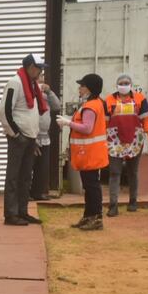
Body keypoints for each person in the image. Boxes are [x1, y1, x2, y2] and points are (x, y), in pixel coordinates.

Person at [0, 53, 48, 226]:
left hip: (30, 137)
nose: (41, 72)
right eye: (39, 68)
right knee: (13, 176)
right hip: (18, 137)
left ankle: (22, 211)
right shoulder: (15, 83)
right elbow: (4, 111)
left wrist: (33, 137)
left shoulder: (33, 85)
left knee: (26, 176)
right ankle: (11, 214)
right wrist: (16, 134)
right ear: (31, 67)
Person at [57, 74, 108, 231]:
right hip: (90, 152)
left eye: (82, 85)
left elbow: (87, 128)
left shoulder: (91, 106)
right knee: (90, 186)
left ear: (89, 88)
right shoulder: (94, 103)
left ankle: (96, 218)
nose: (79, 88)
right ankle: (88, 216)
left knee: (92, 187)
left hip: (89, 153)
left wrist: (67, 123)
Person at [105, 73, 148, 216]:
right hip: (114, 140)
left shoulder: (140, 99)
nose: (124, 85)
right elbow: (104, 121)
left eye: (126, 83)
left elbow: (147, 118)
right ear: (116, 85)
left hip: (135, 139)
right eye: (121, 83)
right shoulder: (109, 100)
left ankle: (133, 201)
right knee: (114, 173)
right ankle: (113, 205)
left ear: (131, 85)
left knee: (132, 172)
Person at [30, 73, 61, 201]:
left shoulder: (46, 94)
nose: (41, 80)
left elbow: (57, 106)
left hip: (44, 134)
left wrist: (49, 92)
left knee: (42, 166)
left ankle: (39, 192)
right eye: (38, 78)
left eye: (43, 77)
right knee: (28, 166)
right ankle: (26, 193)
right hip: (32, 134)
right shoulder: (28, 92)